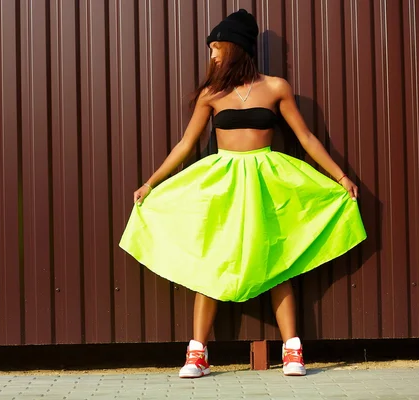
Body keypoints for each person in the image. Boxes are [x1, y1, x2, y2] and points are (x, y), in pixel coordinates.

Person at [119, 9, 366, 379]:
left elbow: (307, 138)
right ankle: (197, 354)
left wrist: (340, 176)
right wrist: (151, 183)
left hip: (268, 182)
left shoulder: (276, 87)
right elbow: (186, 145)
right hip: (223, 184)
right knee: (211, 262)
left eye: (217, 48)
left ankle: (293, 350)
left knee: (277, 259)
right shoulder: (211, 94)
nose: (213, 56)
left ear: (236, 48)